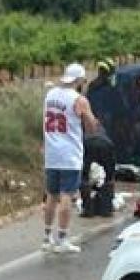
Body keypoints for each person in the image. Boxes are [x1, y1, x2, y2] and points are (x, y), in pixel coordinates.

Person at [41, 62, 99, 254]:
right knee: (67, 196)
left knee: (51, 195)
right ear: (79, 80)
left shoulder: (50, 95)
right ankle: (63, 238)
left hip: (51, 154)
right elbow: (91, 127)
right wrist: (92, 120)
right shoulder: (79, 100)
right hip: (70, 154)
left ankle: (47, 236)